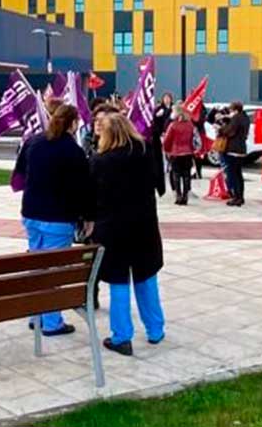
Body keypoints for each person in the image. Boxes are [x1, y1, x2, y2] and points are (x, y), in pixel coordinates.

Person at [90, 113, 166, 356]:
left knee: (118, 282)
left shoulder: (101, 161)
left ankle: (122, 336)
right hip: (144, 226)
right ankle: (155, 329)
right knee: (146, 277)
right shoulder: (145, 153)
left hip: (113, 230)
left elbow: (91, 198)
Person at [15, 104, 92, 336]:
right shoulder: (73, 151)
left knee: (38, 264)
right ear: (73, 123)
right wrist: (88, 217)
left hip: (31, 212)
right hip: (58, 217)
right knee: (53, 270)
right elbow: (83, 189)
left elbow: (19, 173)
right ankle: (51, 322)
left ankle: (36, 315)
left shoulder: (33, 142)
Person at [160, 103, 197, 204]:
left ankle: (178, 196)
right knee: (186, 175)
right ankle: (185, 196)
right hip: (188, 152)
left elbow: (167, 140)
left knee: (176, 175)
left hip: (175, 152)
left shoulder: (173, 125)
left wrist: (166, 150)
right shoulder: (190, 125)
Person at [218, 101, 250, 206]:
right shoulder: (245, 118)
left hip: (233, 149)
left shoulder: (236, 118)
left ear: (235, 110)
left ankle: (237, 197)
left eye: (231, 110)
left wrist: (220, 129)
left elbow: (230, 131)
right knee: (239, 174)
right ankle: (240, 196)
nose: (230, 112)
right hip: (241, 148)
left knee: (234, 174)